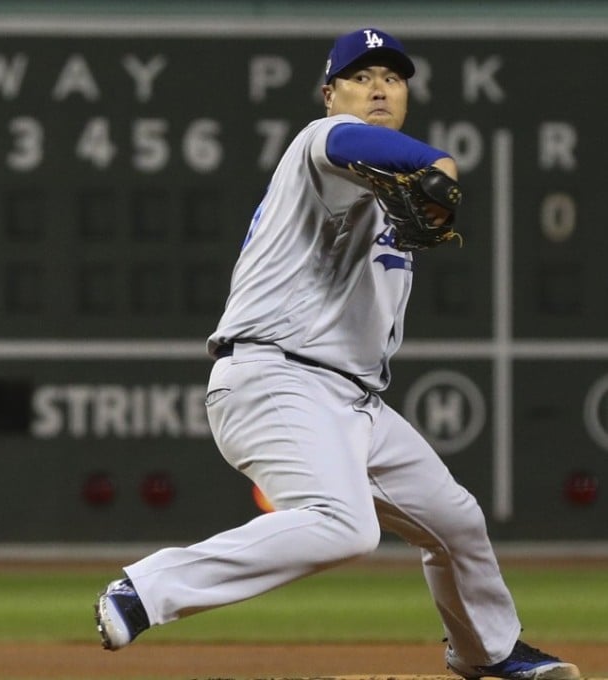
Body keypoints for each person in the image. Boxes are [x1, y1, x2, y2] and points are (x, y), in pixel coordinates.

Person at [94, 27, 579, 680]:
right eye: (361, 76)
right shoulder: (319, 144)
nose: (379, 86)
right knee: (345, 526)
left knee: (455, 519)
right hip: (273, 376)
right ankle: (147, 589)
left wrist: (418, 175)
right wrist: (440, 163)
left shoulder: (388, 195)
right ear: (330, 94)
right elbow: (356, 142)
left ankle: (484, 650)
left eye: (393, 77)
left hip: (352, 400)